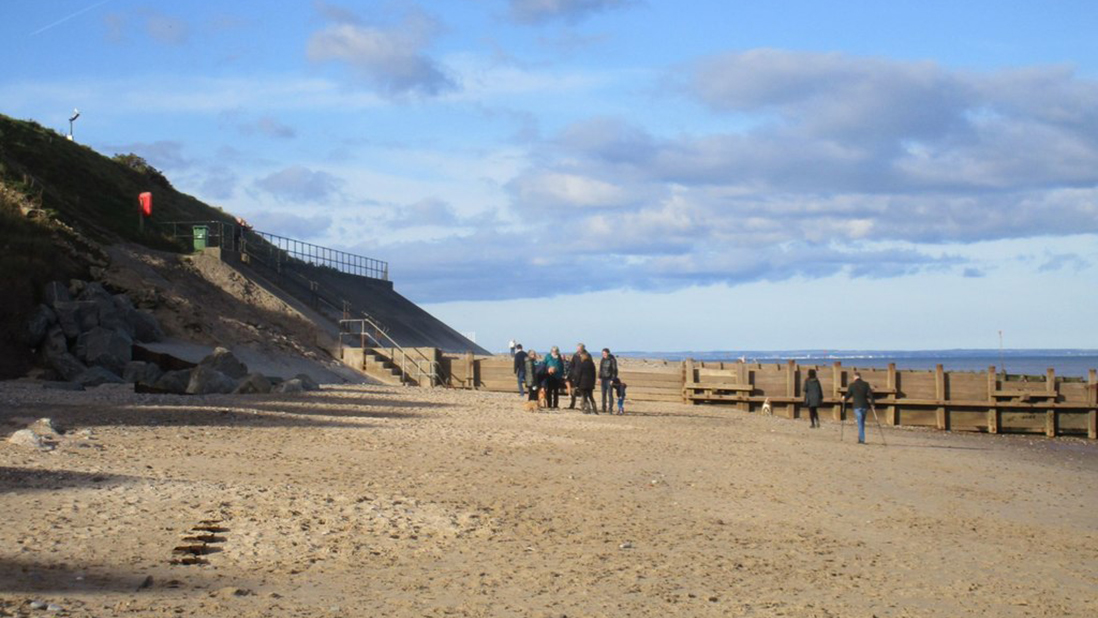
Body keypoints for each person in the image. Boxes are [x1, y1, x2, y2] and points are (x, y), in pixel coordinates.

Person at [843, 371, 875, 444]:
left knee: (860, 423)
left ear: (854, 377)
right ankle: (861, 438)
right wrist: (873, 403)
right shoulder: (866, 384)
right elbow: (870, 395)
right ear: (860, 377)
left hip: (857, 406)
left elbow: (848, 395)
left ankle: (861, 439)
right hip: (864, 406)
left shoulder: (852, 385)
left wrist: (844, 399)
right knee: (862, 422)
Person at [566, 343, 586, 409]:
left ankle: (582, 405)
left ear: (583, 348)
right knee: (573, 391)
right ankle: (572, 404)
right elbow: (572, 365)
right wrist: (573, 372)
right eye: (577, 349)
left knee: (583, 391)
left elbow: (589, 366)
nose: (578, 350)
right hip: (575, 376)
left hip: (583, 376)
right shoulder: (575, 355)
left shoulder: (587, 355)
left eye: (579, 349)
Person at [598, 348, 618, 413]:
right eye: (602, 353)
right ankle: (603, 409)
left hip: (609, 379)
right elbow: (600, 369)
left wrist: (612, 379)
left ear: (608, 353)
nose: (603, 354)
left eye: (604, 353)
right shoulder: (602, 360)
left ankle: (610, 409)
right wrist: (599, 378)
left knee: (610, 394)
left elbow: (614, 370)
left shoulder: (612, 360)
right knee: (603, 394)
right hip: (603, 379)